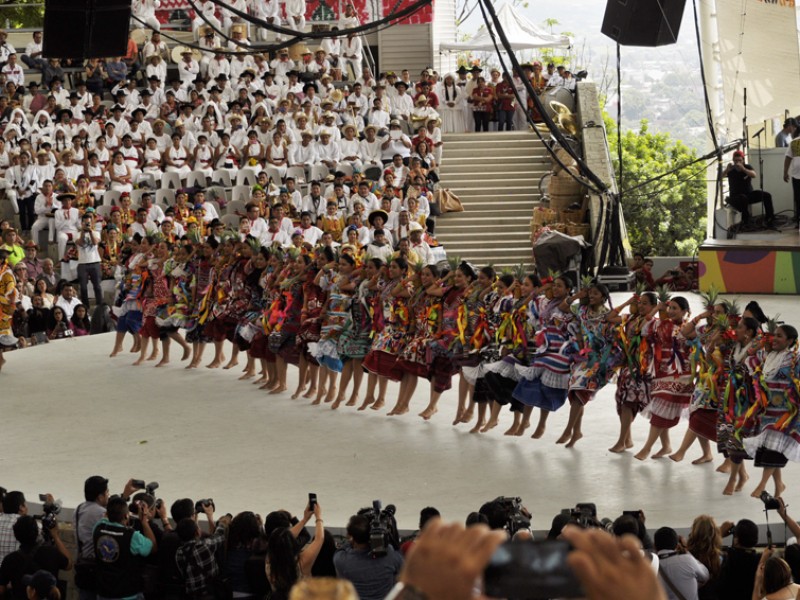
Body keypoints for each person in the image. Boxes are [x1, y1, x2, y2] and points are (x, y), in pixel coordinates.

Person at [92, 495, 157, 600]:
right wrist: (144, 521)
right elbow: (152, 547)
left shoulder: (98, 528)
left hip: (103, 591)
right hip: (127, 594)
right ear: (126, 516)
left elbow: (105, 519)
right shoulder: (132, 536)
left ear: (107, 514)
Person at [0, 515, 72, 599]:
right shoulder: (51, 552)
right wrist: (55, 536)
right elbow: (69, 564)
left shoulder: (10, 560)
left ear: (16, 535)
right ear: (37, 532)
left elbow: (1, 590)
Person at [334, 514, 403, 600]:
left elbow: (340, 550)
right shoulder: (389, 554)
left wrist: (350, 540)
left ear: (350, 536)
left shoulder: (342, 560)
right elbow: (401, 564)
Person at [174, 512, 232, 598]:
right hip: (210, 592)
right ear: (197, 532)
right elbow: (219, 536)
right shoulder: (205, 545)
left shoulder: (179, 553)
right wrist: (222, 523)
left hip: (191, 595)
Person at [653, 526, 708, 600]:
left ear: (654, 546)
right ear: (677, 545)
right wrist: (686, 551)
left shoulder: (649, 567)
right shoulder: (687, 560)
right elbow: (705, 575)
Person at [724, 150, 773, 225]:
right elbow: (719, 177)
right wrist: (726, 170)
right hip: (736, 197)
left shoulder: (747, 167)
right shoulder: (731, 169)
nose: (737, 162)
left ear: (743, 160)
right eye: (736, 160)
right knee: (743, 198)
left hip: (748, 194)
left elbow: (754, 175)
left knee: (767, 195)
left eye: (739, 160)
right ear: (733, 160)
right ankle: (745, 221)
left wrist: (743, 169)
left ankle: (769, 218)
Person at [717, 519, 761, 600]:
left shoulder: (727, 558)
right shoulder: (760, 560)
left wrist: (719, 533)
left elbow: (705, 551)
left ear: (736, 540)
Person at [75, 212, 103, 308]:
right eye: (85, 223)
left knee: (97, 286)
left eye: (89, 223)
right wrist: (83, 232)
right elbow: (81, 243)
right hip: (82, 263)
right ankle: (85, 307)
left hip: (95, 261)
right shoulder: (77, 234)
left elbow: (95, 243)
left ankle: (100, 306)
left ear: (92, 223)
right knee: (83, 287)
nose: (87, 225)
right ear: (82, 223)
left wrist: (90, 231)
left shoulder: (96, 233)